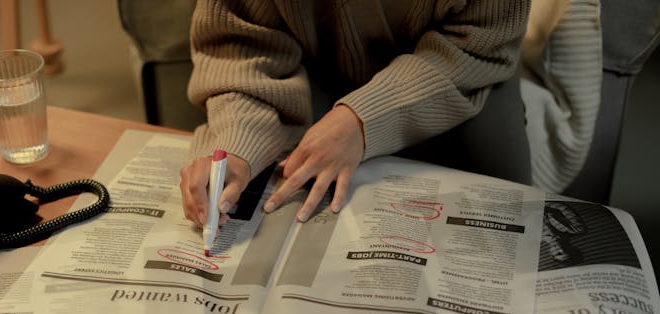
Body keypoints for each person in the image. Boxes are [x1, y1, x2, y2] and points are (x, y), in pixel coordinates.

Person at [180, 0, 532, 229]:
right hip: (310, 70)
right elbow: (242, 48)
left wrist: (363, 120)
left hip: (460, 73)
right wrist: (237, 146)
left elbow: (478, 45)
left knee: (506, 220)